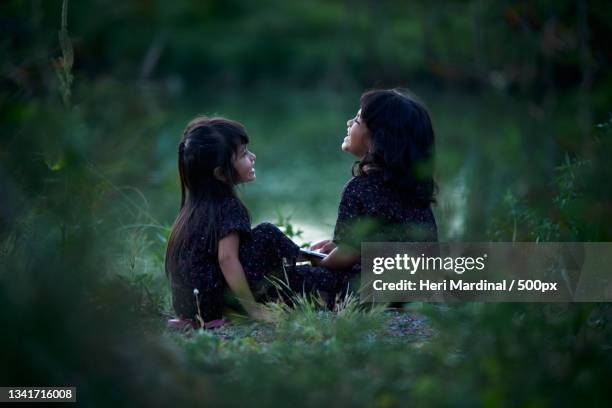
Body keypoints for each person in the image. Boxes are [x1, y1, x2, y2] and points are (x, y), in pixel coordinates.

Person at [165, 116, 303, 325]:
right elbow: (226, 259)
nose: (253, 157)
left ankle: (310, 259)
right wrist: (254, 310)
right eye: (244, 154)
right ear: (220, 173)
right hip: (214, 305)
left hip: (192, 307)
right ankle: (319, 262)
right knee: (267, 233)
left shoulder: (193, 209)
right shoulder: (228, 206)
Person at [308, 88, 438, 292]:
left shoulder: (359, 188)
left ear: (376, 139)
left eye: (357, 120)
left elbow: (345, 257)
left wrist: (320, 261)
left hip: (373, 290)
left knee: (295, 274)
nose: (349, 123)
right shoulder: (414, 189)